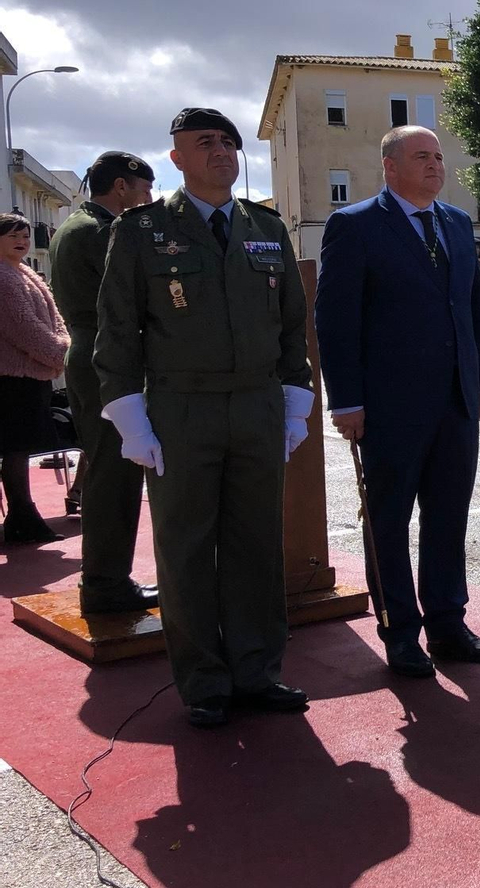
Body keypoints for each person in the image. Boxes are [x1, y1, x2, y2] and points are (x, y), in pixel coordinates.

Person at [96, 107, 313, 726]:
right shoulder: (141, 230)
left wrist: (295, 405)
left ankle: (257, 671)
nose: (221, 152)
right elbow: (118, 332)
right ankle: (204, 682)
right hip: (180, 409)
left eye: (227, 142)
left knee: (256, 543)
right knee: (187, 546)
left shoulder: (265, 226)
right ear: (177, 158)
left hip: (256, 405)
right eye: (205, 143)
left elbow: (292, 326)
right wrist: (132, 421)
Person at [316, 123, 480, 680]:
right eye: (422, 156)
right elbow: (336, 320)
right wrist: (345, 400)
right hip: (388, 405)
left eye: (438, 157)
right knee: (389, 521)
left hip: (455, 400)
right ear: (390, 166)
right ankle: (399, 631)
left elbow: (472, 309)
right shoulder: (355, 225)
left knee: (448, 516)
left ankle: (447, 622)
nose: (435, 165)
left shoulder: (457, 223)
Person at [45, 152, 158, 604]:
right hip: (107, 359)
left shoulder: (73, 226)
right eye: (145, 189)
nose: (148, 199)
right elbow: (134, 295)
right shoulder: (103, 231)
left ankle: (103, 579)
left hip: (89, 354)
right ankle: (106, 584)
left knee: (105, 467)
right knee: (115, 473)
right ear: (121, 186)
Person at [1, 212, 70, 546]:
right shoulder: (3, 278)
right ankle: (23, 517)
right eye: (13, 235)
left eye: (25, 235)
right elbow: (22, 327)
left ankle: (21, 516)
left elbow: (54, 318)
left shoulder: (24, 272)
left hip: (32, 374)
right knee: (15, 447)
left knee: (20, 447)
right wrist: (61, 354)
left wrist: (62, 346)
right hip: (11, 377)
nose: (22, 241)